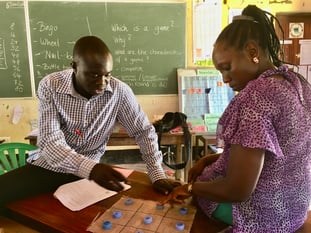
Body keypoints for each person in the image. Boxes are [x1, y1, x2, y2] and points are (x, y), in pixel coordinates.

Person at [160, 5, 311, 233]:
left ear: (252, 51)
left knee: (200, 199)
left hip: (264, 217)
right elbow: (275, 155)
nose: (225, 79)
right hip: (295, 209)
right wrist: (209, 161)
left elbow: (238, 190)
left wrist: (191, 188)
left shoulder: (255, 96)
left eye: (226, 67)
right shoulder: (297, 83)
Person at [0, 35, 180, 210]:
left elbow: (143, 131)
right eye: (93, 75)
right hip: (50, 167)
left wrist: (157, 174)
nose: (102, 83)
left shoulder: (120, 92)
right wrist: (90, 169)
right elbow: (50, 143)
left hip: (90, 176)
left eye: (107, 75)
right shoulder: (51, 85)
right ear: (74, 67)